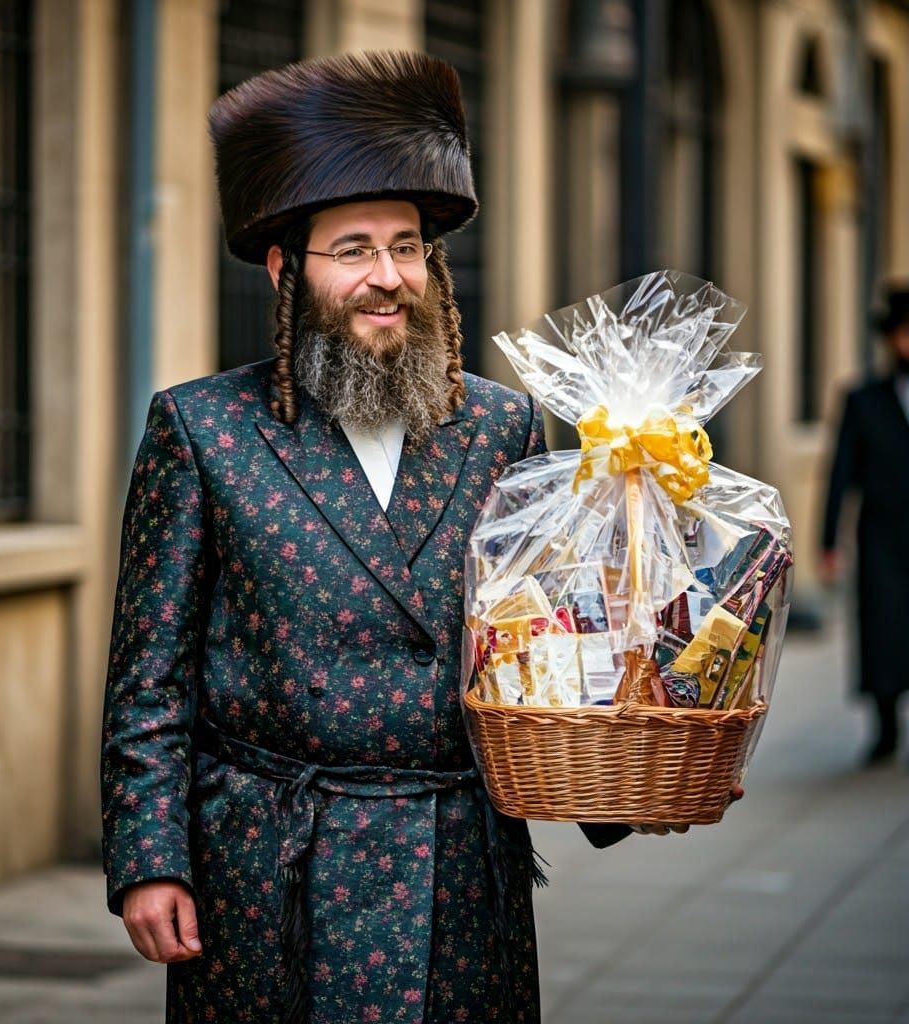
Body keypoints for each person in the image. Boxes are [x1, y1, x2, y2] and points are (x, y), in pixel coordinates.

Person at [101, 51, 702, 1024]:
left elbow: (546, 638)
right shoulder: (203, 431)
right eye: (354, 249)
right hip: (273, 868)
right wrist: (147, 861)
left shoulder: (503, 426)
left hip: (459, 866)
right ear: (285, 266)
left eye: (408, 245)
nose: (388, 279)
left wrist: (622, 767)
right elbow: (149, 678)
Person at [821, 282, 909, 766]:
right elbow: (840, 474)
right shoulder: (863, 400)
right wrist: (828, 540)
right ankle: (885, 725)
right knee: (883, 631)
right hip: (881, 537)